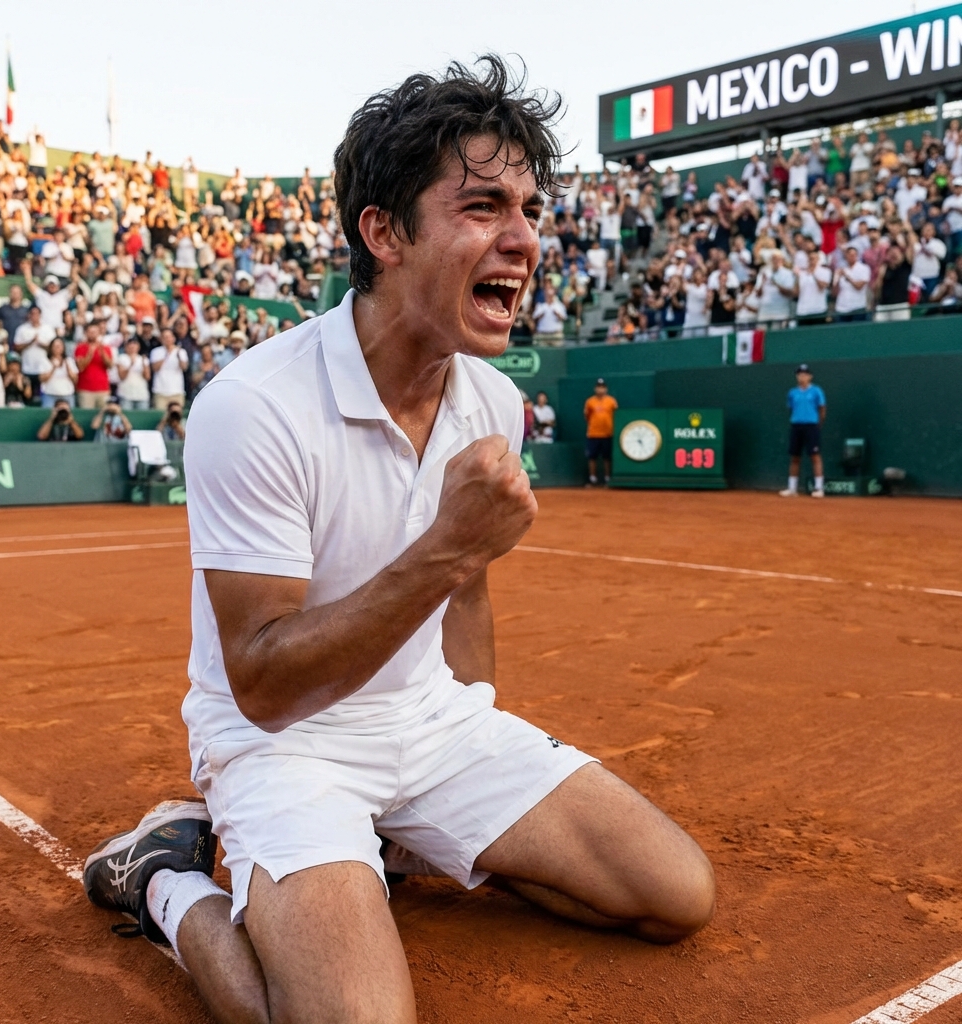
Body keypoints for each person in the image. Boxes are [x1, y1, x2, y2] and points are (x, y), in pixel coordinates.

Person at [81, 59, 715, 1024]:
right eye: (482, 207)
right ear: (382, 231)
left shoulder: (491, 395)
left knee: (677, 894)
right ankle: (166, 882)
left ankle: (394, 841)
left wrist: (476, 767)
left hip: (431, 726)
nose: (524, 238)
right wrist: (448, 548)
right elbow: (262, 679)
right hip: (281, 744)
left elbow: (467, 598)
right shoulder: (252, 407)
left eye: (531, 209)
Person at [780, 364, 826, 498]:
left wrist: (818, 424)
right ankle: (792, 488)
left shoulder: (817, 391)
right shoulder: (792, 393)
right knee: (795, 457)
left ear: (810, 376)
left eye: (805, 374)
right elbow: (790, 409)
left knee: (815, 457)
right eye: (799, 374)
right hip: (796, 426)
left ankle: (819, 488)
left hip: (812, 426)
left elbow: (822, 409)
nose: (802, 377)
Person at [13, 304, 56, 401]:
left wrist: (40, 343)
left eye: (37, 314)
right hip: (27, 368)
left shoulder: (48, 329)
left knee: (40, 398)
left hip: (43, 370)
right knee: (27, 396)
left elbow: (54, 348)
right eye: (32, 314)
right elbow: (17, 347)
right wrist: (30, 342)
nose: (34, 316)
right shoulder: (22, 329)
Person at [584, 377, 618, 485]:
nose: (600, 390)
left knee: (607, 457)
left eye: (602, 387)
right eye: (598, 387)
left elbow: (616, 415)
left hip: (608, 433)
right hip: (593, 434)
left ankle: (607, 478)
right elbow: (587, 416)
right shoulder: (590, 401)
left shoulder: (611, 401)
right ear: (595, 389)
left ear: (606, 389)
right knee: (592, 457)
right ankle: (593, 479)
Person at [74, 322, 115, 409]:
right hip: (85, 389)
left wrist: (102, 353)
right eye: (90, 331)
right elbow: (80, 367)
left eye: (95, 332)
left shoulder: (105, 348)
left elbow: (110, 365)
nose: (92, 334)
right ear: (85, 333)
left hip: (103, 389)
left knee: (102, 415)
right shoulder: (80, 348)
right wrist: (89, 354)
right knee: (86, 414)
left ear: (99, 333)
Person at [150, 327, 189, 409]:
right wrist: (167, 354)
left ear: (173, 338)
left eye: (169, 337)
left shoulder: (181, 351)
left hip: (177, 390)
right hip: (160, 390)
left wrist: (178, 356)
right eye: (164, 337)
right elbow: (155, 368)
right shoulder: (156, 351)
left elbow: (184, 367)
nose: (167, 339)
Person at [833, 244, 871, 322]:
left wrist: (847, 276)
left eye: (854, 255)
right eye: (850, 255)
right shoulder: (841, 270)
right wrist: (837, 279)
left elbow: (859, 286)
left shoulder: (864, 268)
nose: (852, 257)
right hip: (842, 309)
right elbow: (834, 293)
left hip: (857, 307)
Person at [37, 337, 78, 407]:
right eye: (55, 346)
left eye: (59, 346)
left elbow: (75, 379)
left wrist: (68, 367)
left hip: (67, 394)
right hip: (49, 394)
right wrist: (53, 368)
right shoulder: (44, 361)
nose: (57, 348)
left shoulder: (69, 361)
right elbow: (42, 379)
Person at [115, 336, 152, 409]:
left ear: (138, 347)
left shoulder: (143, 359)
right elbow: (122, 376)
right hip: (125, 394)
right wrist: (130, 365)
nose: (132, 347)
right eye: (130, 345)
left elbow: (147, 377)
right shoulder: (121, 358)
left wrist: (144, 366)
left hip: (141, 394)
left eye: (134, 345)